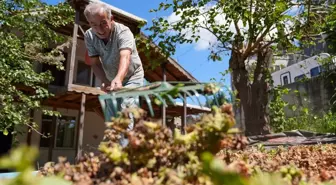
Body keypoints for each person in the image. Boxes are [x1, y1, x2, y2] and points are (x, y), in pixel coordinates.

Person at [83, 2, 144, 147]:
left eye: (103, 23)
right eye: (94, 24)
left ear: (111, 19)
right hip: (111, 78)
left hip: (131, 76)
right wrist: (104, 80)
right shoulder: (89, 36)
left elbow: (125, 57)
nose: (99, 29)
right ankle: (113, 151)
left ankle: (124, 156)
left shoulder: (123, 32)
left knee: (125, 111)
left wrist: (119, 78)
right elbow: (94, 63)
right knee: (111, 116)